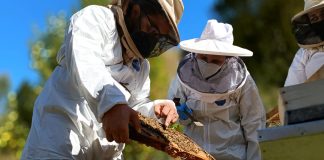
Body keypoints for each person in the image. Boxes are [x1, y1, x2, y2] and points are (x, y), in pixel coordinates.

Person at [21, 0, 184, 159]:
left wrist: (154, 110)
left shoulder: (141, 67)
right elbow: (86, 61)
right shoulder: (96, 19)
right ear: (135, 10)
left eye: (159, 36)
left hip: (106, 154)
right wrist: (112, 106)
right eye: (152, 27)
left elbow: (132, 109)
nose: (153, 38)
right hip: (57, 140)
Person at [168, 19, 266, 160]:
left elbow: (254, 122)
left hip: (232, 155)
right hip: (193, 154)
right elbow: (175, 99)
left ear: (227, 59)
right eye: (203, 57)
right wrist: (178, 108)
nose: (208, 63)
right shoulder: (185, 74)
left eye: (215, 61)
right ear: (196, 53)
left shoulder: (242, 81)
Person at [285, 0, 324, 86]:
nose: (320, 20)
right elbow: (291, 93)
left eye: (323, 14)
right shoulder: (304, 54)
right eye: (314, 18)